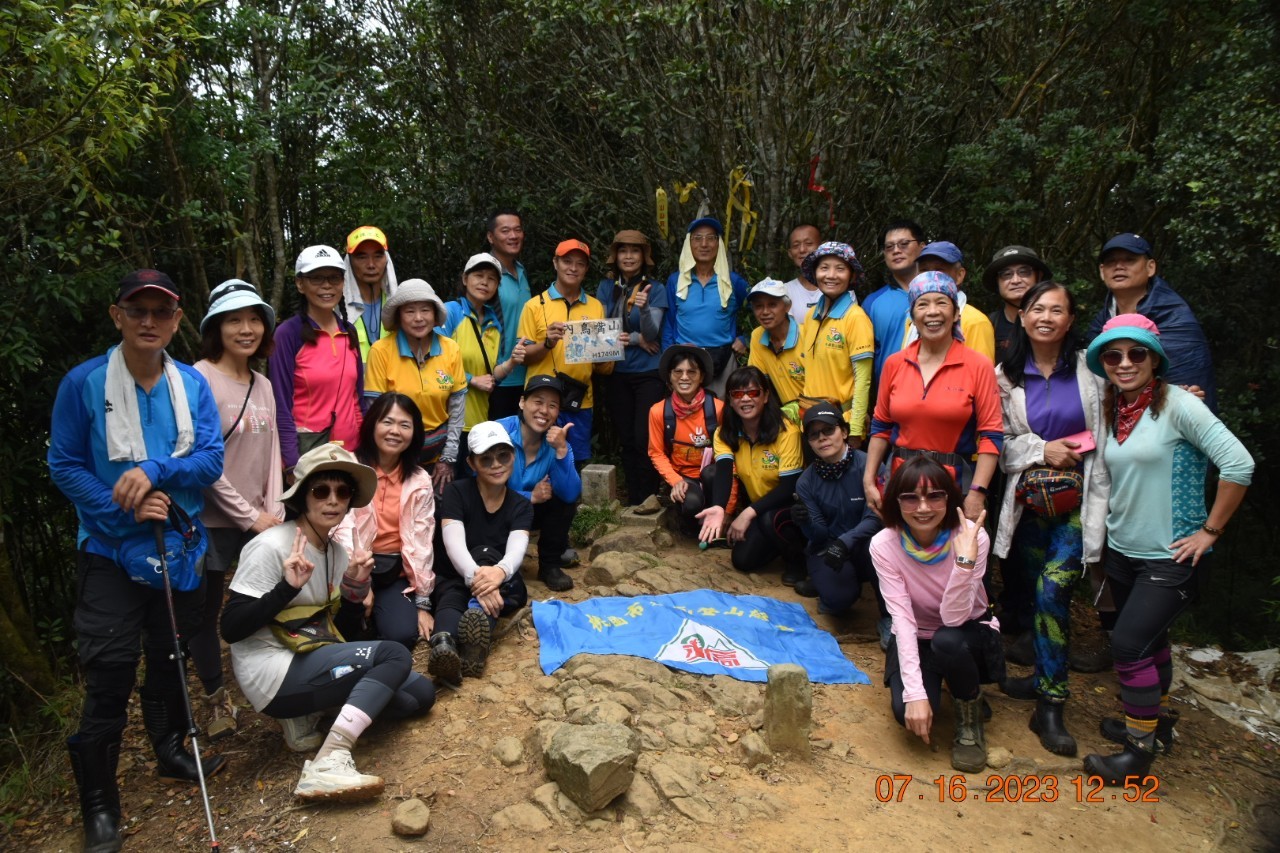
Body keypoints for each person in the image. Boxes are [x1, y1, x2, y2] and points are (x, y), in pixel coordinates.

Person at [49, 269, 226, 852]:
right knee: (109, 669)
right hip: (106, 547)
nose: (149, 321)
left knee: (171, 649)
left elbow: (209, 460)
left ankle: (172, 747)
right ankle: (99, 805)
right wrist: (124, 506)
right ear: (116, 315)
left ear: (177, 321)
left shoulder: (191, 385)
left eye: (161, 312)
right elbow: (65, 464)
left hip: (177, 545)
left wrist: (154, 471)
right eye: (137, 310)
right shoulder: (84, 384)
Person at [1081, 315, 1252, 784]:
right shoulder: (1118, 406)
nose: (1125, 362)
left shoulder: (1180, 405)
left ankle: (1138, 753)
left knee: (1129, 644)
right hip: (1124, 551)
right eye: (1113, 355)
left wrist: (1210, 531)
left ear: (1155, 358)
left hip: (1171, 557)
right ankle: (1153, 724)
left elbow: (1239, 464)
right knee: (1151, 644)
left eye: (1136, 353)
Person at [222, 444, 435, 800]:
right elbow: (230, 629)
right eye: (321, 490)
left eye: (343, 491)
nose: (333, 500)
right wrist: (285, 589)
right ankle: (329, 759)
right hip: (271, 671)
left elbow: (344, 635)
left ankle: (313, 711)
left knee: (418, 697)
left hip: (311, 654)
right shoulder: (271, 545)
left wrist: (354, 590)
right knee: (394, 656)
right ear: (303, 496)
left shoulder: (335, 552)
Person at [992, 282, 1109, 757]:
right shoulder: (1006, 376)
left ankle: (1051, 704)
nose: (1045, 316)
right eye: (1036, 308)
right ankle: (1043, 671)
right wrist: (1043, 448)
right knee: (1028, 587)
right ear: (1021, 317)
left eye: (1055, 309)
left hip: (1079, 505)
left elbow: (1115, 428)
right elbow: (999, 443)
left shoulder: (1093, 372)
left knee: (1053, 589)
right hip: (1029, 506)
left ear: (1070, 317)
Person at [191, 279, 284, 742]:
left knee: (266, 601)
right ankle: (214, 699)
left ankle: (270, 679)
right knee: (205, 613)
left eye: (253, 320)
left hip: (259, 517)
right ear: (216, 326)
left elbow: (270, 457)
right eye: (234, 320)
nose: (246, 329)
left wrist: (272, 509)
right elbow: (201, 461)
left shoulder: (263, 384)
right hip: (210, 519)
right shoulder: (198, 378)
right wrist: (247, 515)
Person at [871, 456, 1004, 773]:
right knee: (905, 711)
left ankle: (969, 715)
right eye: (910, 498)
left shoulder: (973, 537)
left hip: (966, 631)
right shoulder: (884, 544)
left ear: (949, 497)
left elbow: (955, 617)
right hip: (917, 635)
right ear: (896, 501)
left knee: (947, 639)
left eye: (934, 496)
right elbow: (901, 620)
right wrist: (915, 695)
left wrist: (963, 565)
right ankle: (941, 685)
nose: (923, 508)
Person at [864, 272, 1003, 523]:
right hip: (901, 484)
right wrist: (869, 480)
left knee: (954, 559)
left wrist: (977, 494)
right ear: (913, 315)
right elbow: (881, 426)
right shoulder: (895, 363)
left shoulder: (977, 365)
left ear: (956, 313)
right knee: (902, 557)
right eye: (922, 304)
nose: (932, 312)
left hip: (953, 486)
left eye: (941, 303)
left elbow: (991, 435)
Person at [429, 422, 535, 683]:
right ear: (472, 463)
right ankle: (446, 645)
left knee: (507, 584)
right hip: (459, 574)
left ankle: (466, 642)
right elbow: (453, 543)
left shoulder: (521, 505)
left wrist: (498, 573)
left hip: (499, 581)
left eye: (503, 456)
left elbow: (515, 550)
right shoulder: (456, 492)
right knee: (452, 594)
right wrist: (478, 579)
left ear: (513, 456)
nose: (496, 464)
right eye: (485, 459)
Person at [333, 393, 436, 652]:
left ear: (415, 432)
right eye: (387, 422)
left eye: (405, 425)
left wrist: (422, 603)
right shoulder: (349, 466)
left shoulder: (419, 480)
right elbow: (339, 528)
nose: (395, 431)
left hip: (393, 571)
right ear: (372, 425)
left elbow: (422, 541)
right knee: (340, 630)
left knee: (401, 635)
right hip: (349, 566)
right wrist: (360, 582)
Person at [696, 367, 809, 592]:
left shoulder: (787, 432)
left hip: (794, 507)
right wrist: (719, 507)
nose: (745, 399)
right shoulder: (724, 433)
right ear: (729, 399)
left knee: (769, 520)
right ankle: (778, 545)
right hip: (762, 507)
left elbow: (789, 487)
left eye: (753, 393)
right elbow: (724, 472)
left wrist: (747, 514)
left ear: (766, 396)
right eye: (737, 394)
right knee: (743, 560)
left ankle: (799, 560)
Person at [1087, 233, 1217, 412]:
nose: (1118, 266)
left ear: (1150, 267)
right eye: (1111, 262)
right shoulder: (1100, 323)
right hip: (1119, 423)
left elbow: (1189, 383)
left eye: (1129, 260)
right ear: (1102, 271)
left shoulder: (1173, 315)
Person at [515, 239, 614, 465]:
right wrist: (547, 343)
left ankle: (573, 501)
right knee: (536, 458)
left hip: (579, 400)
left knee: (575, 460)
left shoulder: (595, 306)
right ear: (555, 263)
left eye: (580, 264)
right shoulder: (535, 305)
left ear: (586, 269)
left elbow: (602, 366)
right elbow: (523, 357)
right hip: (541, 400)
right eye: (567, 261)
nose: (573, 268)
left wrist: (611, 346)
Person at [270, 245, 366, 476]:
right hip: (307, 454)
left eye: (334, 278)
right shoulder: (288, 334)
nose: (326, 286)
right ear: (300, 284)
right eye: (316, 278)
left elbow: (357, 398)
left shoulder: (349, 332)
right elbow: (281, 403)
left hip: (349, 452)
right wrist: (292, 463)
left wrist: (363, 449)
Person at [364, 278, 467, 492]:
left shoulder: (451, 349)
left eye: (425, 310)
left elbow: (457, 408)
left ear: (435, 314)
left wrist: (448, 458)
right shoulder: (381, 351)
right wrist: (389, 460)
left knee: (436, 514)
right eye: (410, 311)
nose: (418, 318)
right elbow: (374, 411)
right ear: (399, 316)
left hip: (439, 452)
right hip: (394, 453)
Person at [793, 404, 887, 633]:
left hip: (866, 545)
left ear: (844, 432)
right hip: (829, 548)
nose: (822, 438)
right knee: (838, 600)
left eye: (828, 430)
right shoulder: (806, 481)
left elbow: (877, 517)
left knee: (885, 547)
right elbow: (819, 535)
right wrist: (805, 521)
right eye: (814, 435)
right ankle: (829, 589)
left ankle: (889, 618)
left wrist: (846, 542)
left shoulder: (869, 466)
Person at [598, 230, 668, 505]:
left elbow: (653, 334)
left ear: (644, 256)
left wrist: (646, 308)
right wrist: (635, 339)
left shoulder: (655, 288)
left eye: (635, 251)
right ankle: (633, 498)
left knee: (643, 436)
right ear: (615, 256)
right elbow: (602, 331)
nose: (629, 256)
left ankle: (649, 496)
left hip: (648, 372)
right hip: (617, 371)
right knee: (626, 437)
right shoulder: (606, 288)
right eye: (623, 250)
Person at [496, 375, 582, 592]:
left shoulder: (557, 441)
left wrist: (561, 451)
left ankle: (550, 565)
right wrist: (529, 497)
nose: (544, 410)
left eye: (552, 405)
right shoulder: (498, 432)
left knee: (562, 500)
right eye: (538, 401)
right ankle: (498, 560)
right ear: (522, 402)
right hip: (495, 511)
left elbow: (571, 494)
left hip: (532, 513)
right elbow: (481, 489)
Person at [647, 345, 737, 535]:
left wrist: (728, 510)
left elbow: (731, 463)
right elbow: (656, 451)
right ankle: (689, 522)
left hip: (715, 477)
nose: (685, 377)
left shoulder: (719, 410)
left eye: (691, 372)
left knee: (712, 473)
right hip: (683, 477)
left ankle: (716, 517)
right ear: (669, 376)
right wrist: (675, 481)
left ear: (702, 376)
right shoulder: (659, 412)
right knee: (691, 504)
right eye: (678, 371)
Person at [440, 253, 515, 471]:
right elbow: (431, 366)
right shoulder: (449, 313)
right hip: (447, 420)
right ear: (465, 279)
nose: (485, 282)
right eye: (479, 275)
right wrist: (471, 380)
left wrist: (512, 362)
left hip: (478, 420)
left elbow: (491, 376)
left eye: (491, 278)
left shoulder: (494, 322)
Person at [797, 242, 874, 444]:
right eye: (824, 268)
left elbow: (863, 380)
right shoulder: (812, 314)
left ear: (851, 276)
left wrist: (856, 430)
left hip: (841, 425)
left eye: (840, 268)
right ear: (815, 273)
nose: (831, 275)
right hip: (811, 420)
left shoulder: (856, 317)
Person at [662, 217, 751, 380]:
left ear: (719, 244)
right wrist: (668, 359)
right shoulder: (676, 281)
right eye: (697, 238)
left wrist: (746, 338)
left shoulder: (733, 281)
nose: (704, 244)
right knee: (685, 405)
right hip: (684, 361)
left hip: (723, 357)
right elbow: (669, 321)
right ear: (689, 244)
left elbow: (758, 311)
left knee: (722, 405)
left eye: (711, 238)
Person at [863, 219, 925, 381]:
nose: (896, 250)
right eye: (889, 247)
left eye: (904, 244)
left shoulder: (941, 295)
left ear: (922, 247)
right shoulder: (872, 303)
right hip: (889, 395)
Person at [914, 241, 996, 363]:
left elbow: (982, 375)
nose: (932, 277)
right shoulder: (914, 319)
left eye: (939, 270)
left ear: (959, 275)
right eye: (925, 270)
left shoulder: (975, 322)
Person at [485, 208, 532, 418]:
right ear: (491, 237)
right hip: (497, 377)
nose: (513, 236)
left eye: (518, 230)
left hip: (526, 373)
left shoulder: (521, 270)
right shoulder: (485, 274)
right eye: (505, 231)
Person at [982, 245, 1052, 359]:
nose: (1016, 280)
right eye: (1006, 274)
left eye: (1024, 272)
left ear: (1038, 277)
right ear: (997, 282)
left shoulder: (1053, 321)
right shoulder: (988, 325)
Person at [746, 279, 805, 409]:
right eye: (759, 306)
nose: (765, 312)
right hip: (788, 414)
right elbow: (757, 380)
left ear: (787, 307)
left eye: (772, 305)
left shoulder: (807, 336)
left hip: (817, 415)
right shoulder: (757, 335)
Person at [343, 226, 399, 360]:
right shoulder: (338, 309)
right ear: (349, 262)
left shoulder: (399, 306)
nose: (371, 264)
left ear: (387, 260)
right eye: (362, 257)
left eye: (378, 256)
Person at [782, 224, 823, 326]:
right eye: (796, 245)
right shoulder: (784, 291)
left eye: (808, 243)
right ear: (790, 253)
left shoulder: (839, 288)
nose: (802, 250)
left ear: (822, 247)